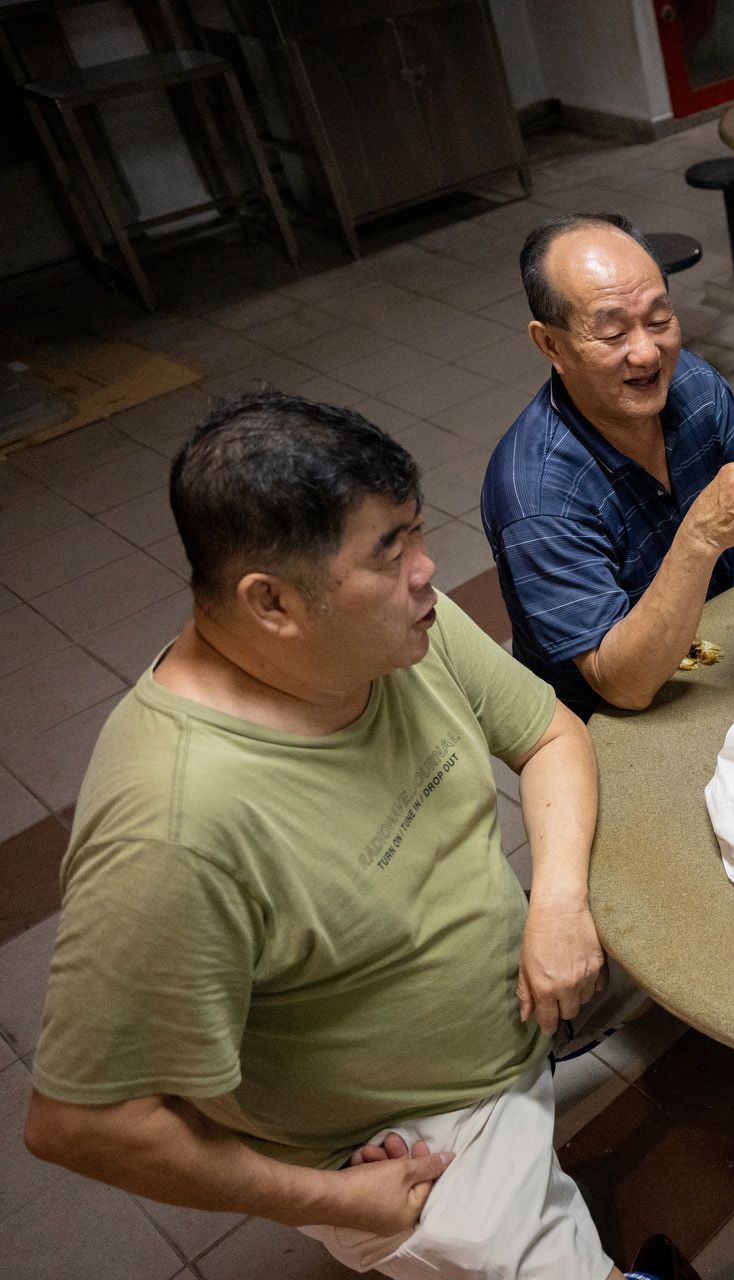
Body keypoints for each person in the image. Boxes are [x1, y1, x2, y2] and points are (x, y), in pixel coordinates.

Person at [22, 393, 646, 1280]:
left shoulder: (394, 631)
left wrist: (556, 903)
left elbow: (550, 735)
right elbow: (81, 1124)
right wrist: (332, 1199)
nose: (429, 572)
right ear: (272, 603)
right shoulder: (173, 831)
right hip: (403, 1137)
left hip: (525, 986)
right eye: (390, 556)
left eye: (416, 534)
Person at [482, 212, 734, 718]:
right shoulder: (535, 493)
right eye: (612, 333)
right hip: (623, 666)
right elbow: (622, 685)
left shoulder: (687, 382)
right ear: (551, 344)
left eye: (659, 320)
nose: (646, 354)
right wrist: (701, 535)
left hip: (715, 575)